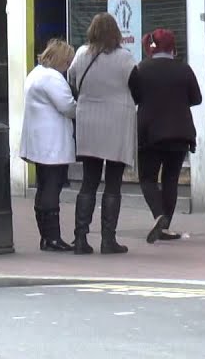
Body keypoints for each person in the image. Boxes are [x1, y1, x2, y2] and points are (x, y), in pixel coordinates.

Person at [66, 13, 139, 255]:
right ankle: (108, 240)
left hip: (89, 122)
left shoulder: (81, 54)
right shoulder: (125, 58)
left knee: (89, 181)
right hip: (117, 123)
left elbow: (72, 82)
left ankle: (80, 238)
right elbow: (138, 88)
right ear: (115, 32)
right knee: (113, 182)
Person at [130, 28, 202, 244]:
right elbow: (196, 98)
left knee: (147, 178)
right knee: (171, 180)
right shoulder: (184, 69)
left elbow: (134, 97)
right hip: (179, 132)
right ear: (172, 47)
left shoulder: (141, 69)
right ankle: (166, 226)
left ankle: (158, 215)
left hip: (149, 134)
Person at [19, 38, 78, 252]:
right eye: (68, 60)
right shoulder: (53, 78)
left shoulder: (35, 74)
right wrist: (81, 107)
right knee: (53, 188)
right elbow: (68, 107)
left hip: (38, 142)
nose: (68, 65)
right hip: (52, 143)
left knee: (43, 187)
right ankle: (53, 238)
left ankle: (45, 237)